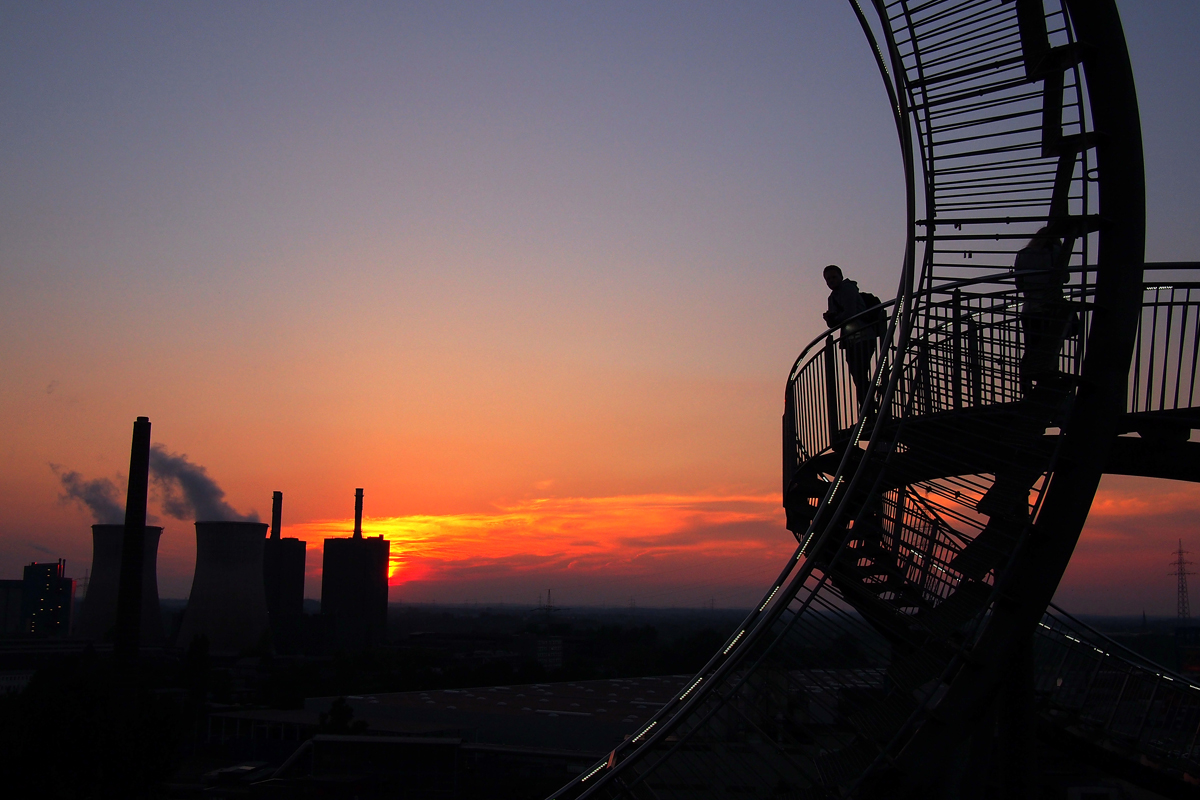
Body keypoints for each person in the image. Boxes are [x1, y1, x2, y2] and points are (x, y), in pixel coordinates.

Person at [1014, 227, 1072, 396]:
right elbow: (1065, 277)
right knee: (1050, 347)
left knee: (1031, 347)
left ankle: (1026, 384)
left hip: (1029, 309)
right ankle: (1047, 385)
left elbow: (1019, 283)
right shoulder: (1054, 251)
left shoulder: (1023, 253)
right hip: (1049, 308)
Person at [822, 264, 877, 413]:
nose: (831, 281)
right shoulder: (832, 297)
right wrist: (830, 318)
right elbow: (835, 323)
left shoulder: (848, 289)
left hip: (863, 337)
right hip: (851, 341)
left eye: (833, 277)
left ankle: (868, 409)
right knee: (858, 376)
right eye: (828, 279)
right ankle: (868, 407)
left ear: (840, 276)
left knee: (859, 375)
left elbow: (850, 313)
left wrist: (836, 317)